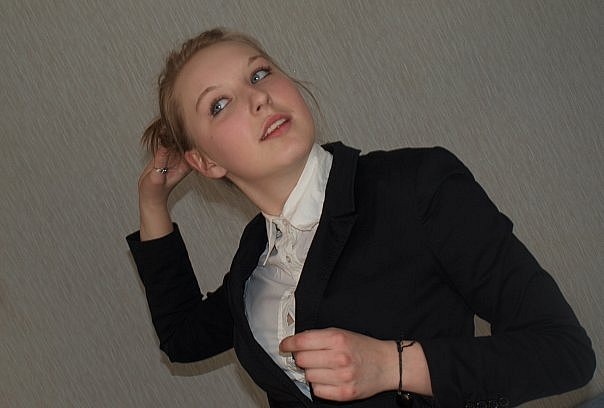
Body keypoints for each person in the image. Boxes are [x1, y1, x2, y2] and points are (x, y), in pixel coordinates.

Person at [126, 28, 595, 407]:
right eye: (219, 104)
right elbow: (182, 337)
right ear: (206, 163)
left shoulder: (415, 185)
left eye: (259, 73)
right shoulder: (254, 260)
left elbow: (564, 352)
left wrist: (392, 365)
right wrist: (153, 203)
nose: (259, 98)